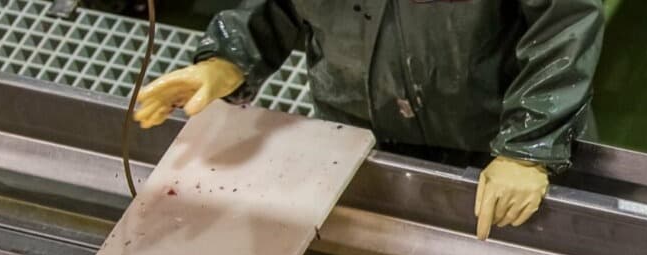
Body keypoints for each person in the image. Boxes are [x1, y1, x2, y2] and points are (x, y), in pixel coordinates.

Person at [130, 0, 604, 240]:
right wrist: (229, 60)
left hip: (498, 150)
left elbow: (566, 22)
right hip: (359, 138)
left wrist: (529, 148)